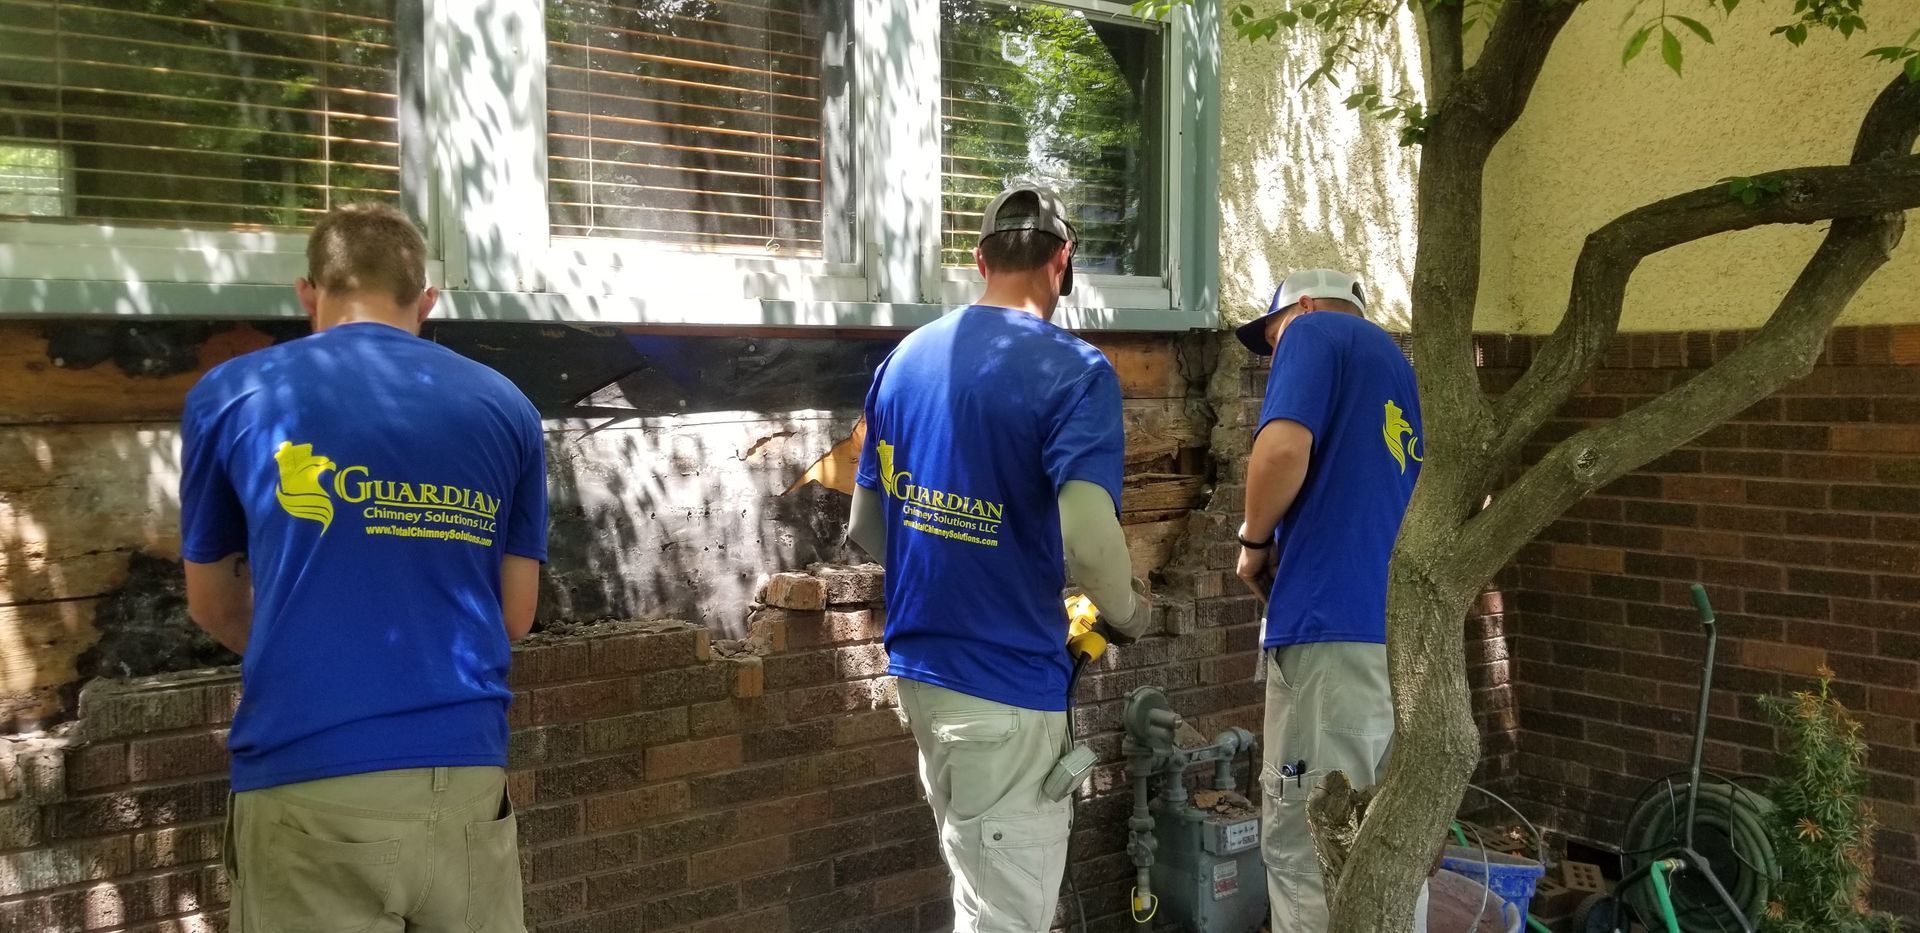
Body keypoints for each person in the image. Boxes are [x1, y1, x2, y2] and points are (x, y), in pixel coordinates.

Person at [179, 202, 548, 933]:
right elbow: (513, 615)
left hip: (306, 772)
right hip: (467, 777)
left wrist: (310, 646)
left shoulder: (231, 395)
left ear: (308, 293)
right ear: (427, 301)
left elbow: (212, 603)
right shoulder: (508, 406)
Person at [846, 185, 1150, 933]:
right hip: (1006, 692)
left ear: (980, 261)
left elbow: (868, 526)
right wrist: (1127, 610)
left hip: (923, 681)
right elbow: (1086, 534)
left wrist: (961, 574)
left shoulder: (904, 360)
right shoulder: (1075, 371)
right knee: (1006, 916)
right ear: (1062, 261)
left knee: (981, 895)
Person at [1231, 269, 1428, 933]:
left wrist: (1254, 541)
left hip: (1332, 628)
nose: (1276, 353)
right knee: (1384, 842)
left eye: (1273, 333)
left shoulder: (1314, 330)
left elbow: (1282, 448)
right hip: (1396, 641)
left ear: (1306, 305)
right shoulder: (1399, 372)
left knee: (1312, 838)